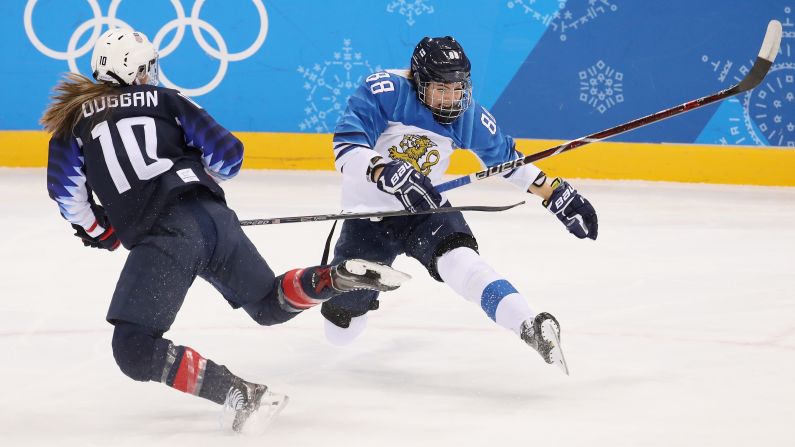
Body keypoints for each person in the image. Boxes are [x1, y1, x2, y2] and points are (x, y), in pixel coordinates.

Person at [42, 28, 409, 432]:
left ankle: (240, 393)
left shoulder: (71, 122)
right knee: (270, 304)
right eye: (149, 67)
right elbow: (230, 156)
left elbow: (67, 197)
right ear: (138, 71)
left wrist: (103, 231)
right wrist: (195, 177)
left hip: (164, 238)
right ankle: (336, 277)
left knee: (133, 347)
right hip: (214, 219)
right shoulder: (170, 100)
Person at [322, 36, 599, 374]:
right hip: (368, 215)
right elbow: (346, 147)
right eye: (442, 88)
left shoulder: (467, 116)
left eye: (458, 88)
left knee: (464, 264)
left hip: (425, 210)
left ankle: (527, 325)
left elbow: (508, 161)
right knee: (341, 330)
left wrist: (554, 193)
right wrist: (384, 170)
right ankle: (355, 302)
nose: (452, 99)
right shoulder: (385, 91)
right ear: (418, 80)